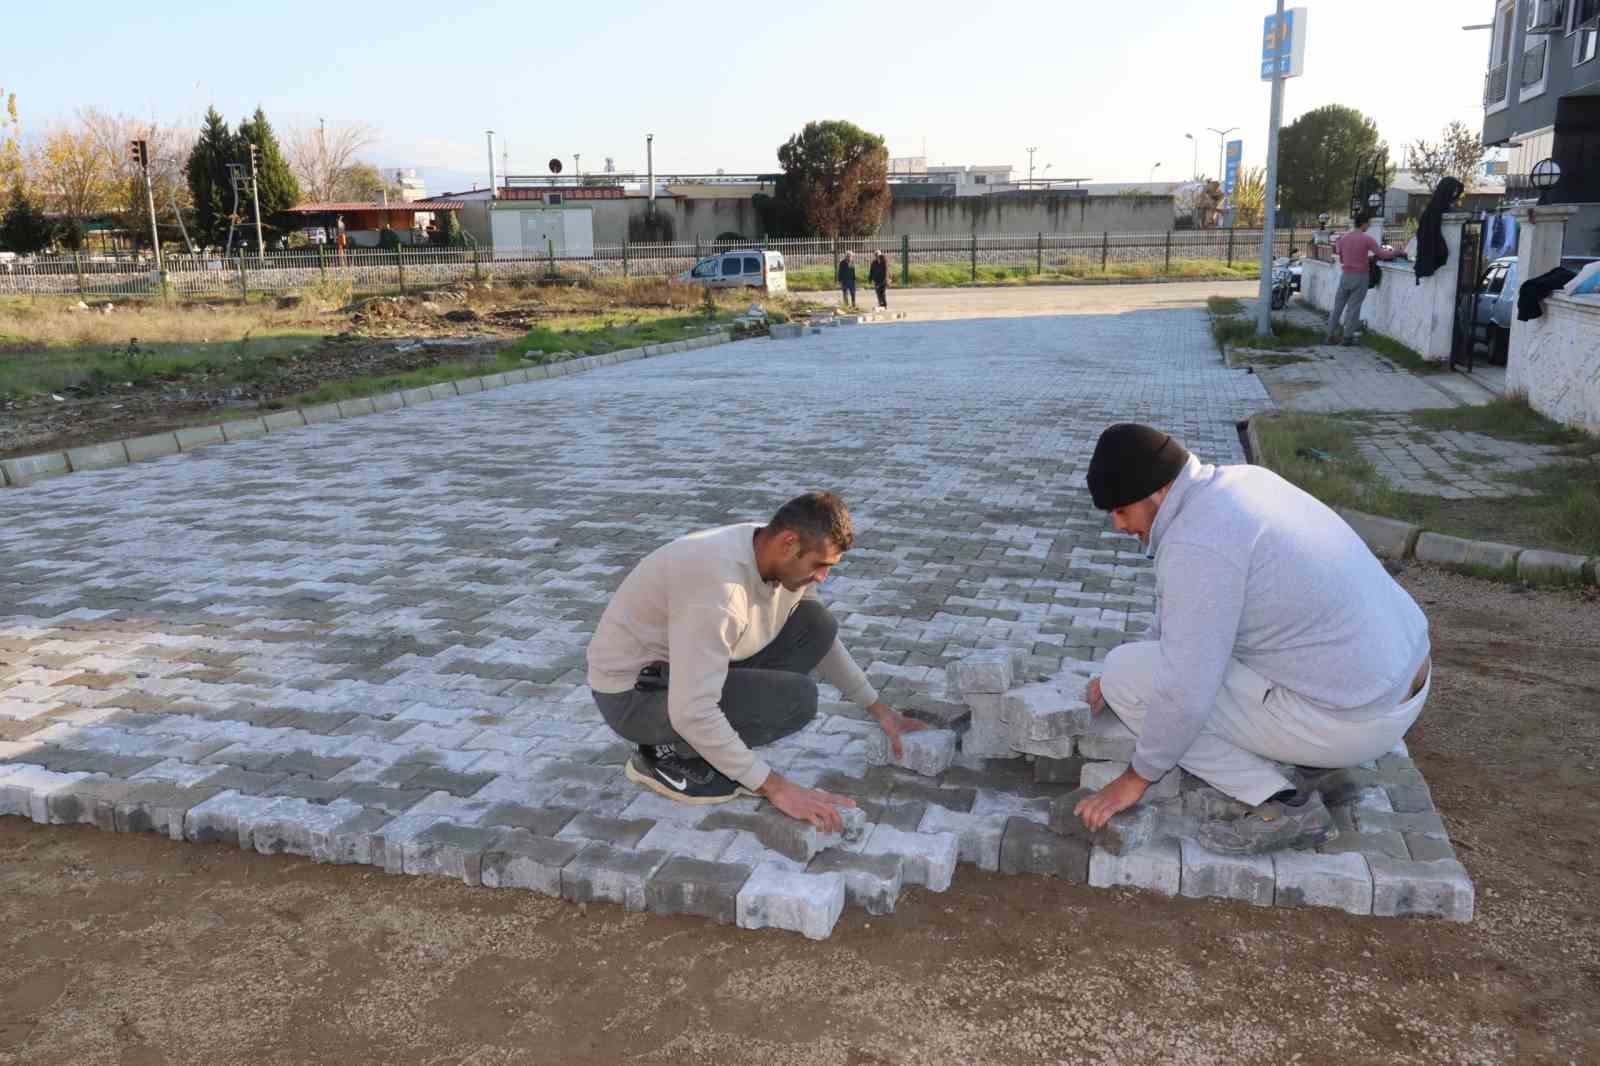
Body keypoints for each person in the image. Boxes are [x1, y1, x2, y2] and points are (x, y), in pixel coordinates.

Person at [1072, 424, 1432, 854]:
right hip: (1401, 677)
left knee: (1127, 677)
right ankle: (1307, 757)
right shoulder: (1240, 483)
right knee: (1160, 664)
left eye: (1120, 510)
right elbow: (1187, 612)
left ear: (1156, 492)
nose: (1117, 525)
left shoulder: (1197, 543)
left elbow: (1186, 691)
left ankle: (1278, 800)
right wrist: (1150, 652)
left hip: (1357, 719)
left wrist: (1136, 778)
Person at [586, 491, 927, 830]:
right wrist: (776, 787)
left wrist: (880, 710)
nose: (823, 576)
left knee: (816, 623)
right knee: (796, 700)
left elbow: (824, 644)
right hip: (634, 697)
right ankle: (664, 754)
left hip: (680, 667)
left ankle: (706, 744)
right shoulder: (717, 592)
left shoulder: (772, 551)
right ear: (789, 542)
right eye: (820, 565)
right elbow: (692, 710)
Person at [1324, 212, 1398, 345]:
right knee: (1354, 307)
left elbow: (1341, 258)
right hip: (1361, 276)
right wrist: (1396, 252)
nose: (1369, 225)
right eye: (1368, 223)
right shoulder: (1366, 239)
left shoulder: (1343, 239)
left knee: (1338, 306)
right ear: (1363, 224)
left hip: (1345, 275)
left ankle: (1329, 335)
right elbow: (1382, 254)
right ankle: (1347, 338)